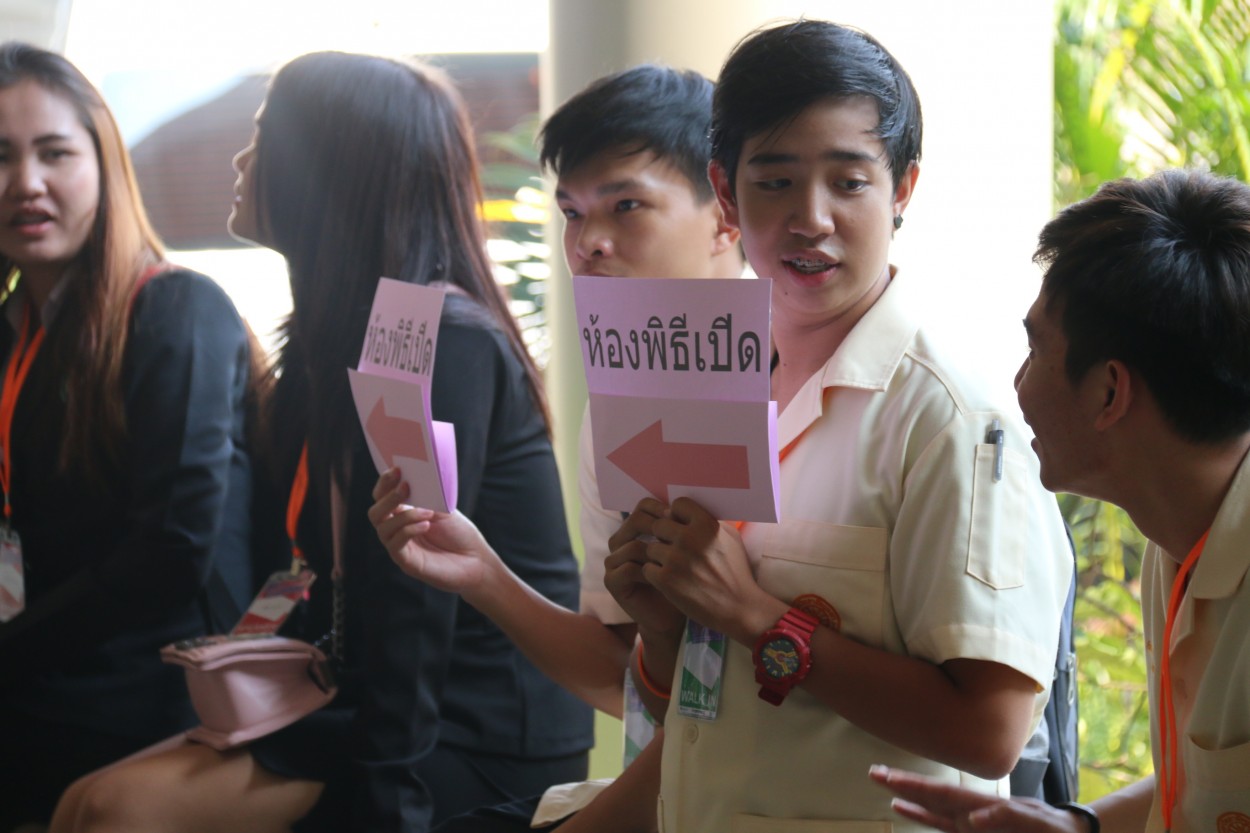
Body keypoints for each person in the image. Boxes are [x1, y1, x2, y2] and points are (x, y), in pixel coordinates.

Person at [49, 51, 592, 833]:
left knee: (115, 810)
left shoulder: (436, 337)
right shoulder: (333, 340)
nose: (241, 161)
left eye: (263, 138)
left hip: (470, 727)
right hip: (357, 697)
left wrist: (387, 799)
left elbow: (417, 602)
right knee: (82, 801)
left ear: (328, 168)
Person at [601, 19, 1073, 833]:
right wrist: (666, 618)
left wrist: (753, 612)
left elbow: (990, 732)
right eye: (775, 181)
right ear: (725, 194)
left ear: (903, 189)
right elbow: (703, 695)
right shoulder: (705, 388)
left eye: (849, 182)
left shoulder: (948, 419)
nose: (810, 218)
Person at [370, 63, 742, 832]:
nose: (588, 244)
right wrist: (482, 571)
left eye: (626, 205)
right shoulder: (621, 407)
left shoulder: (809, 387)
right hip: (675, 790)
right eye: (571, 212)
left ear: (725, 214)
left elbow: (759, 703)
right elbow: (623, 675)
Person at [873, 168, 1250, 833]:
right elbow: (1211, 789)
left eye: (1035, 347)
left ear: (1109, 392)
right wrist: (1080, 825)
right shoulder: (1178, 537)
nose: (1018, 383)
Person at [0, 42, 257, 830]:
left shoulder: (175, 308)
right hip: (46, 672)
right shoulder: (16, 326)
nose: (26, 182)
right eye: (1, 157)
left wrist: (13, 651)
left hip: (152, 687)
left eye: (54, 153)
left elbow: (172, 549)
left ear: (104, 165)